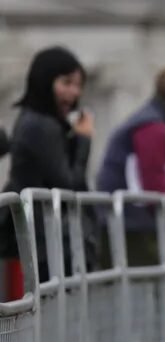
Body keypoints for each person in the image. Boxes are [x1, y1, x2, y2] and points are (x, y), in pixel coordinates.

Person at [1, 46, 95, 282]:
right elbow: (69, 185)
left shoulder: (38, 121)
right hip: (44, 241)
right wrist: (83, 141)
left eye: (78, 84)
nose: (74, 92)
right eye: (66, 82)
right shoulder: (41, 126)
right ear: (45, 81)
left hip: (42, 238)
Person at [97, 63, 165, 266]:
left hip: (129, 222)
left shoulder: (152, 120)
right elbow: (154, 181)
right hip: (133, 227)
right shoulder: (155, 127)